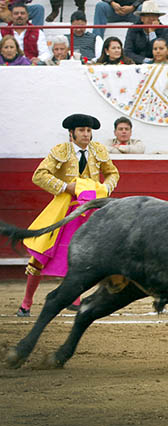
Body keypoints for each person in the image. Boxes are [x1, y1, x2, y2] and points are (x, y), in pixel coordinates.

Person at [16, 113, 119, 317]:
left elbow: (112, 173)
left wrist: (105, 188)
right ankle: (26, 302)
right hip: (64, 208)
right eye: (82, 130)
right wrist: (66, 186)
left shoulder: (98, 150)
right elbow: (39, 175)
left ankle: (75, 299)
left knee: (86, 254)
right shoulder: (60, 150)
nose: (86, 134)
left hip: (89, 209)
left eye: (89, 131)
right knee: (41, 254)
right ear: (71, 133)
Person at [123, 0, 168, 64]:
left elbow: (162, 52)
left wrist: (152, 32)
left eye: (154, 16)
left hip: (159, 64)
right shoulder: (133, 29)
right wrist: (144, 60)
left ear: (158, 18)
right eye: (148, 15)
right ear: (142, 18)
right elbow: (127, 52)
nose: (151, 18)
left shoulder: (165, 31)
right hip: (136, 64)